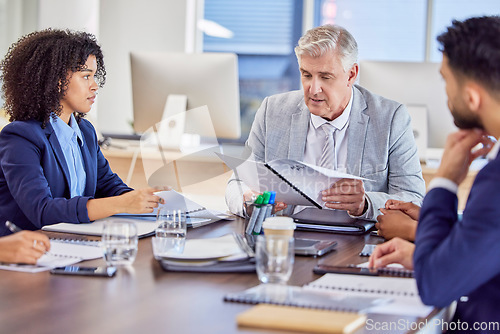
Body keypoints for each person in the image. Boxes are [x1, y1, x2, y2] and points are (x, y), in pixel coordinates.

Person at [370, 16, 500, 329]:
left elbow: (434, 286)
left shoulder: (495, 181)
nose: (445, 95)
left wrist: (444, 183)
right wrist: (429, 232)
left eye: (445, 81)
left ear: (472, 97)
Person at [225, 24, 425, 220]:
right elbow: (237, 182)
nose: (313, 89)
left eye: (325, 77)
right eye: (307, 75)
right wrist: (250, 202)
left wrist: (365, 203)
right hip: (288, 234)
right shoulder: (273, 111)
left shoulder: (390, 119)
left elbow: (413, 199)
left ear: (351, 75)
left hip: (356, 242)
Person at [0, 29, 164, 236]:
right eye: (86, 76)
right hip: (27, 253)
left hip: (73, 244)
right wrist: (121, 204)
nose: (95, 86)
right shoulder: (20, 137)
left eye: (94, 76)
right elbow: (41, 210)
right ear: (56, 80)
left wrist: (150, 200)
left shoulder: (85, 132)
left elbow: (109, 186)